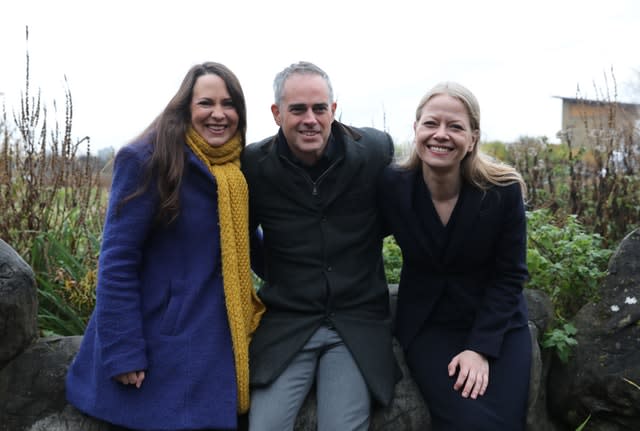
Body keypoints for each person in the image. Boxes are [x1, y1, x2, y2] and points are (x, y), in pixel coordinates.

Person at [65, 62, 265, 431]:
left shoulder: (236, 173)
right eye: (206, 103)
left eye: (229, 104)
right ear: (185, 108)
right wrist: (123, 351)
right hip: (159, 338)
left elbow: (250, 245)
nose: (218, 114)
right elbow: (117, 261)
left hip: (213, 337)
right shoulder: (147, 160)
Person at [241, 61, 401, 431]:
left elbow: (405, 217)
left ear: (333, 109)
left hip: (356, 322)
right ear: (277, 113)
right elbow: (243, 238)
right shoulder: (254, 165)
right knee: (263, 426)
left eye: (319, 108)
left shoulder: (375, 151)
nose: (310, 119)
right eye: (297, 109)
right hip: (288, 322)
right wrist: (281, 273)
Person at [378, 82, 531, 430]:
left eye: (455, 127)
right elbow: (353, 232)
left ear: (473, 138)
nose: (441, 135)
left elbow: (510, 276)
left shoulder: (502, 192)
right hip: (430, 325)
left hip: (497, 327)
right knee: (467, 420)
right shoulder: (393, 185)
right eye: (431, 123)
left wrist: (480, 349)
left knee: (504, 422)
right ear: (416, 129)